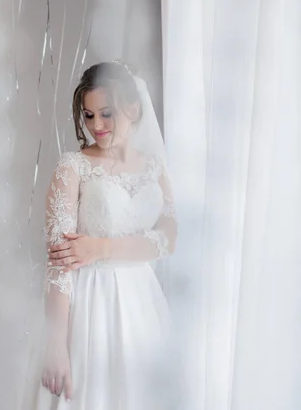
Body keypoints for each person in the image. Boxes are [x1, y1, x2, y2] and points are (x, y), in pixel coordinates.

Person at [39, 61, 177, 410]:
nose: (95, 126)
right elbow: (58, 266)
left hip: (142, 306)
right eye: (87, 115)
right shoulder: (73, 167)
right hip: (89, 306)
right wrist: (55, 344)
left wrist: (101, 247)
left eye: (106, 114)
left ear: (132, 109)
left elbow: (169, 238)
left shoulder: (155, 167)